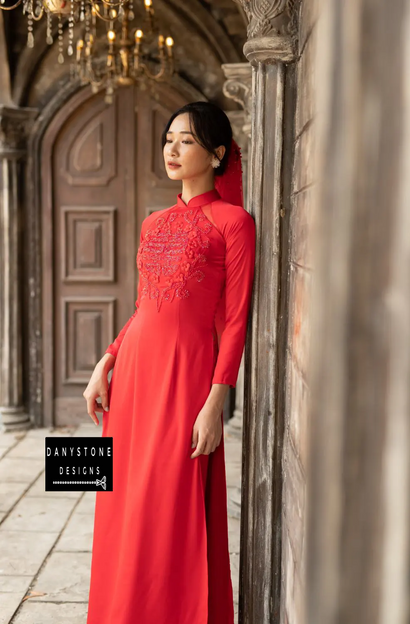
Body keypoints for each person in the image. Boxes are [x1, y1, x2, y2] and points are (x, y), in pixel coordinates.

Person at [83, 100, 256, 624]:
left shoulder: (235, 223)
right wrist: (106, 360)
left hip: (184, 378)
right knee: (121, 498)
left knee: (167, 502)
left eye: (186, 140)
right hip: (134, 373)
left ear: (218, 152)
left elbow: (236, 320)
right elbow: (144, 305)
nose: (172, 149)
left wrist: (215, 401)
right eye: (169, 139)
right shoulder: (152, 222)